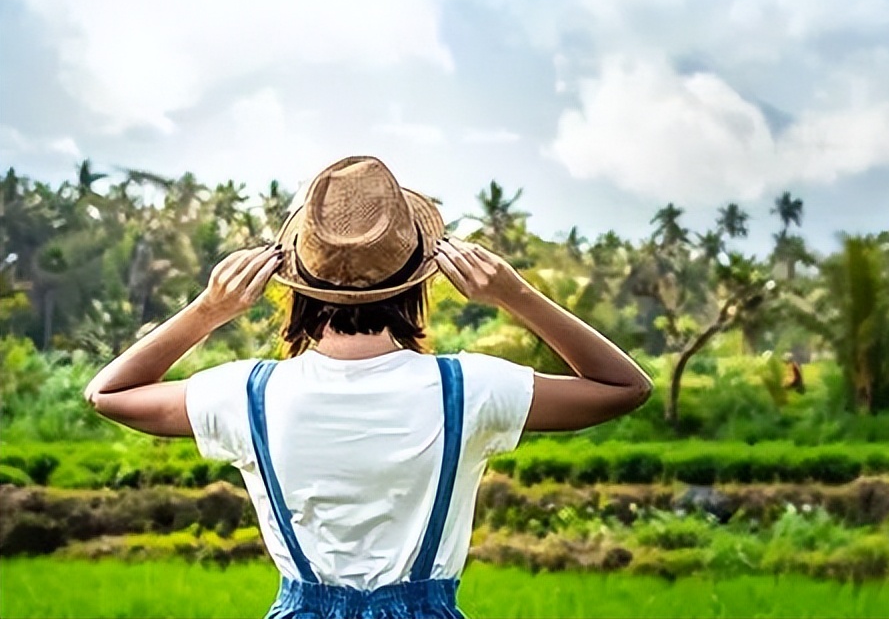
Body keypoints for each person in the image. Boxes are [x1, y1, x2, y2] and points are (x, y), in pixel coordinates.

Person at [81, 156, 653, 619]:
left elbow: (108, 394)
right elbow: (624, 386)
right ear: (418, 279)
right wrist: (514, 294)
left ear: (296, 282)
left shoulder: (246, 394)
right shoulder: (470, 387)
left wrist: (210, 310)